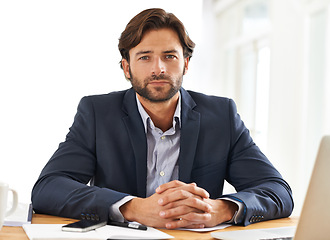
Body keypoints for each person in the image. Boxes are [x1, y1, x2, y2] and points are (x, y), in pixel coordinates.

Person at [31, 8, 293, 229]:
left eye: (170, 56)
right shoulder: (97, 113)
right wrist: (132, 207)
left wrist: (220, 209)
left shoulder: (221, 116)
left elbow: (277, 190)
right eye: (145, 57)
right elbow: (49, 187)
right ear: (126, 67)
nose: (159, 68)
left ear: (186, 64)